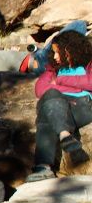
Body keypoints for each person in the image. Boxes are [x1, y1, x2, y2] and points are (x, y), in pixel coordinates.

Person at [26, 29, 92, 182]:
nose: (55, 57)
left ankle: (43, 167)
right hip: (57, 105)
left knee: (47, 109)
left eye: (58, 52)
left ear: (70, 49)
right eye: (53, 52)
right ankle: (65, 135)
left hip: (83, 105)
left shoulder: (88, 63)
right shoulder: (53, 68)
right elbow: (40, 89)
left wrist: (61, 81)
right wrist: (76, 86)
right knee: (49, 103)